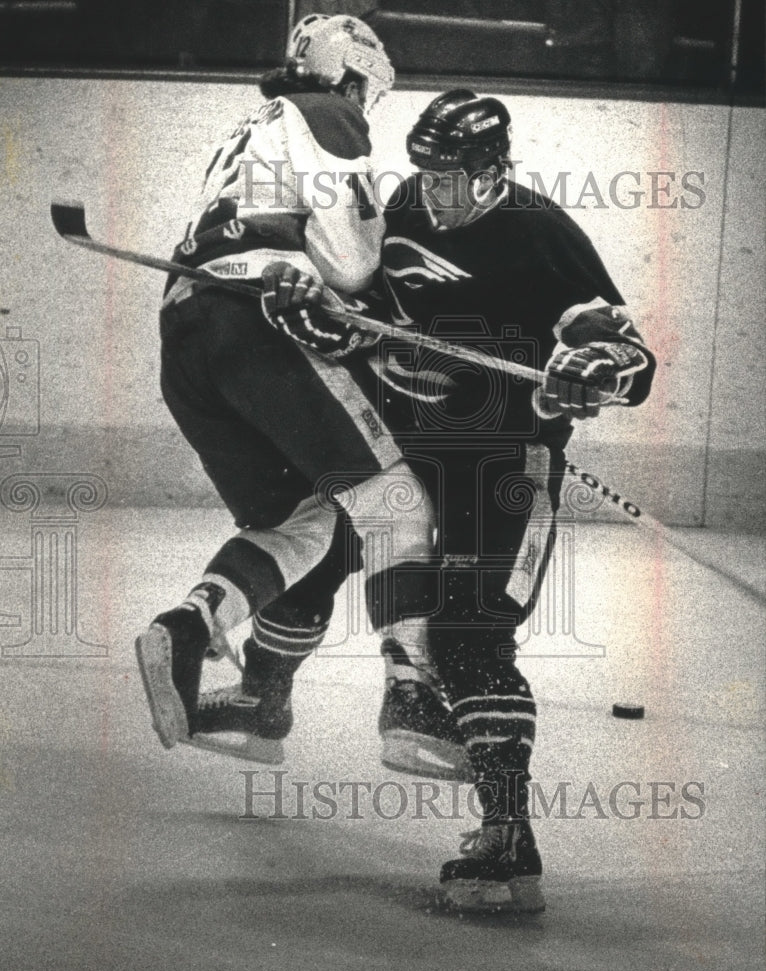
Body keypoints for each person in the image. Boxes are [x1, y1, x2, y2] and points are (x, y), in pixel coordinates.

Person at [198, 88, 656, 913]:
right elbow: (360, 319)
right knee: (326, 536)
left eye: (454, 178)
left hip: (506, 467)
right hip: (418, 456)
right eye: (427, 174)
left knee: (470, 634)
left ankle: (507, 836)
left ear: (493, 171)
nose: (434, 193)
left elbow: (626, 352)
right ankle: (261, 695)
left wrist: (597, 368)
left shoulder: (540, 232)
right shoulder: (401, 209)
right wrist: (318, 318)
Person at [134, 14, 447, 758]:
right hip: (258, 324)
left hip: (185, 338)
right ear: (351, 75)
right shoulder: (329, 111)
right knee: (394, 502)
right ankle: (411, 700)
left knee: (301, 519)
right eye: (367, 91)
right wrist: (370, 308)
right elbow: (347, 259)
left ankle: (188, 628)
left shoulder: (254, 124)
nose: (365, 105)